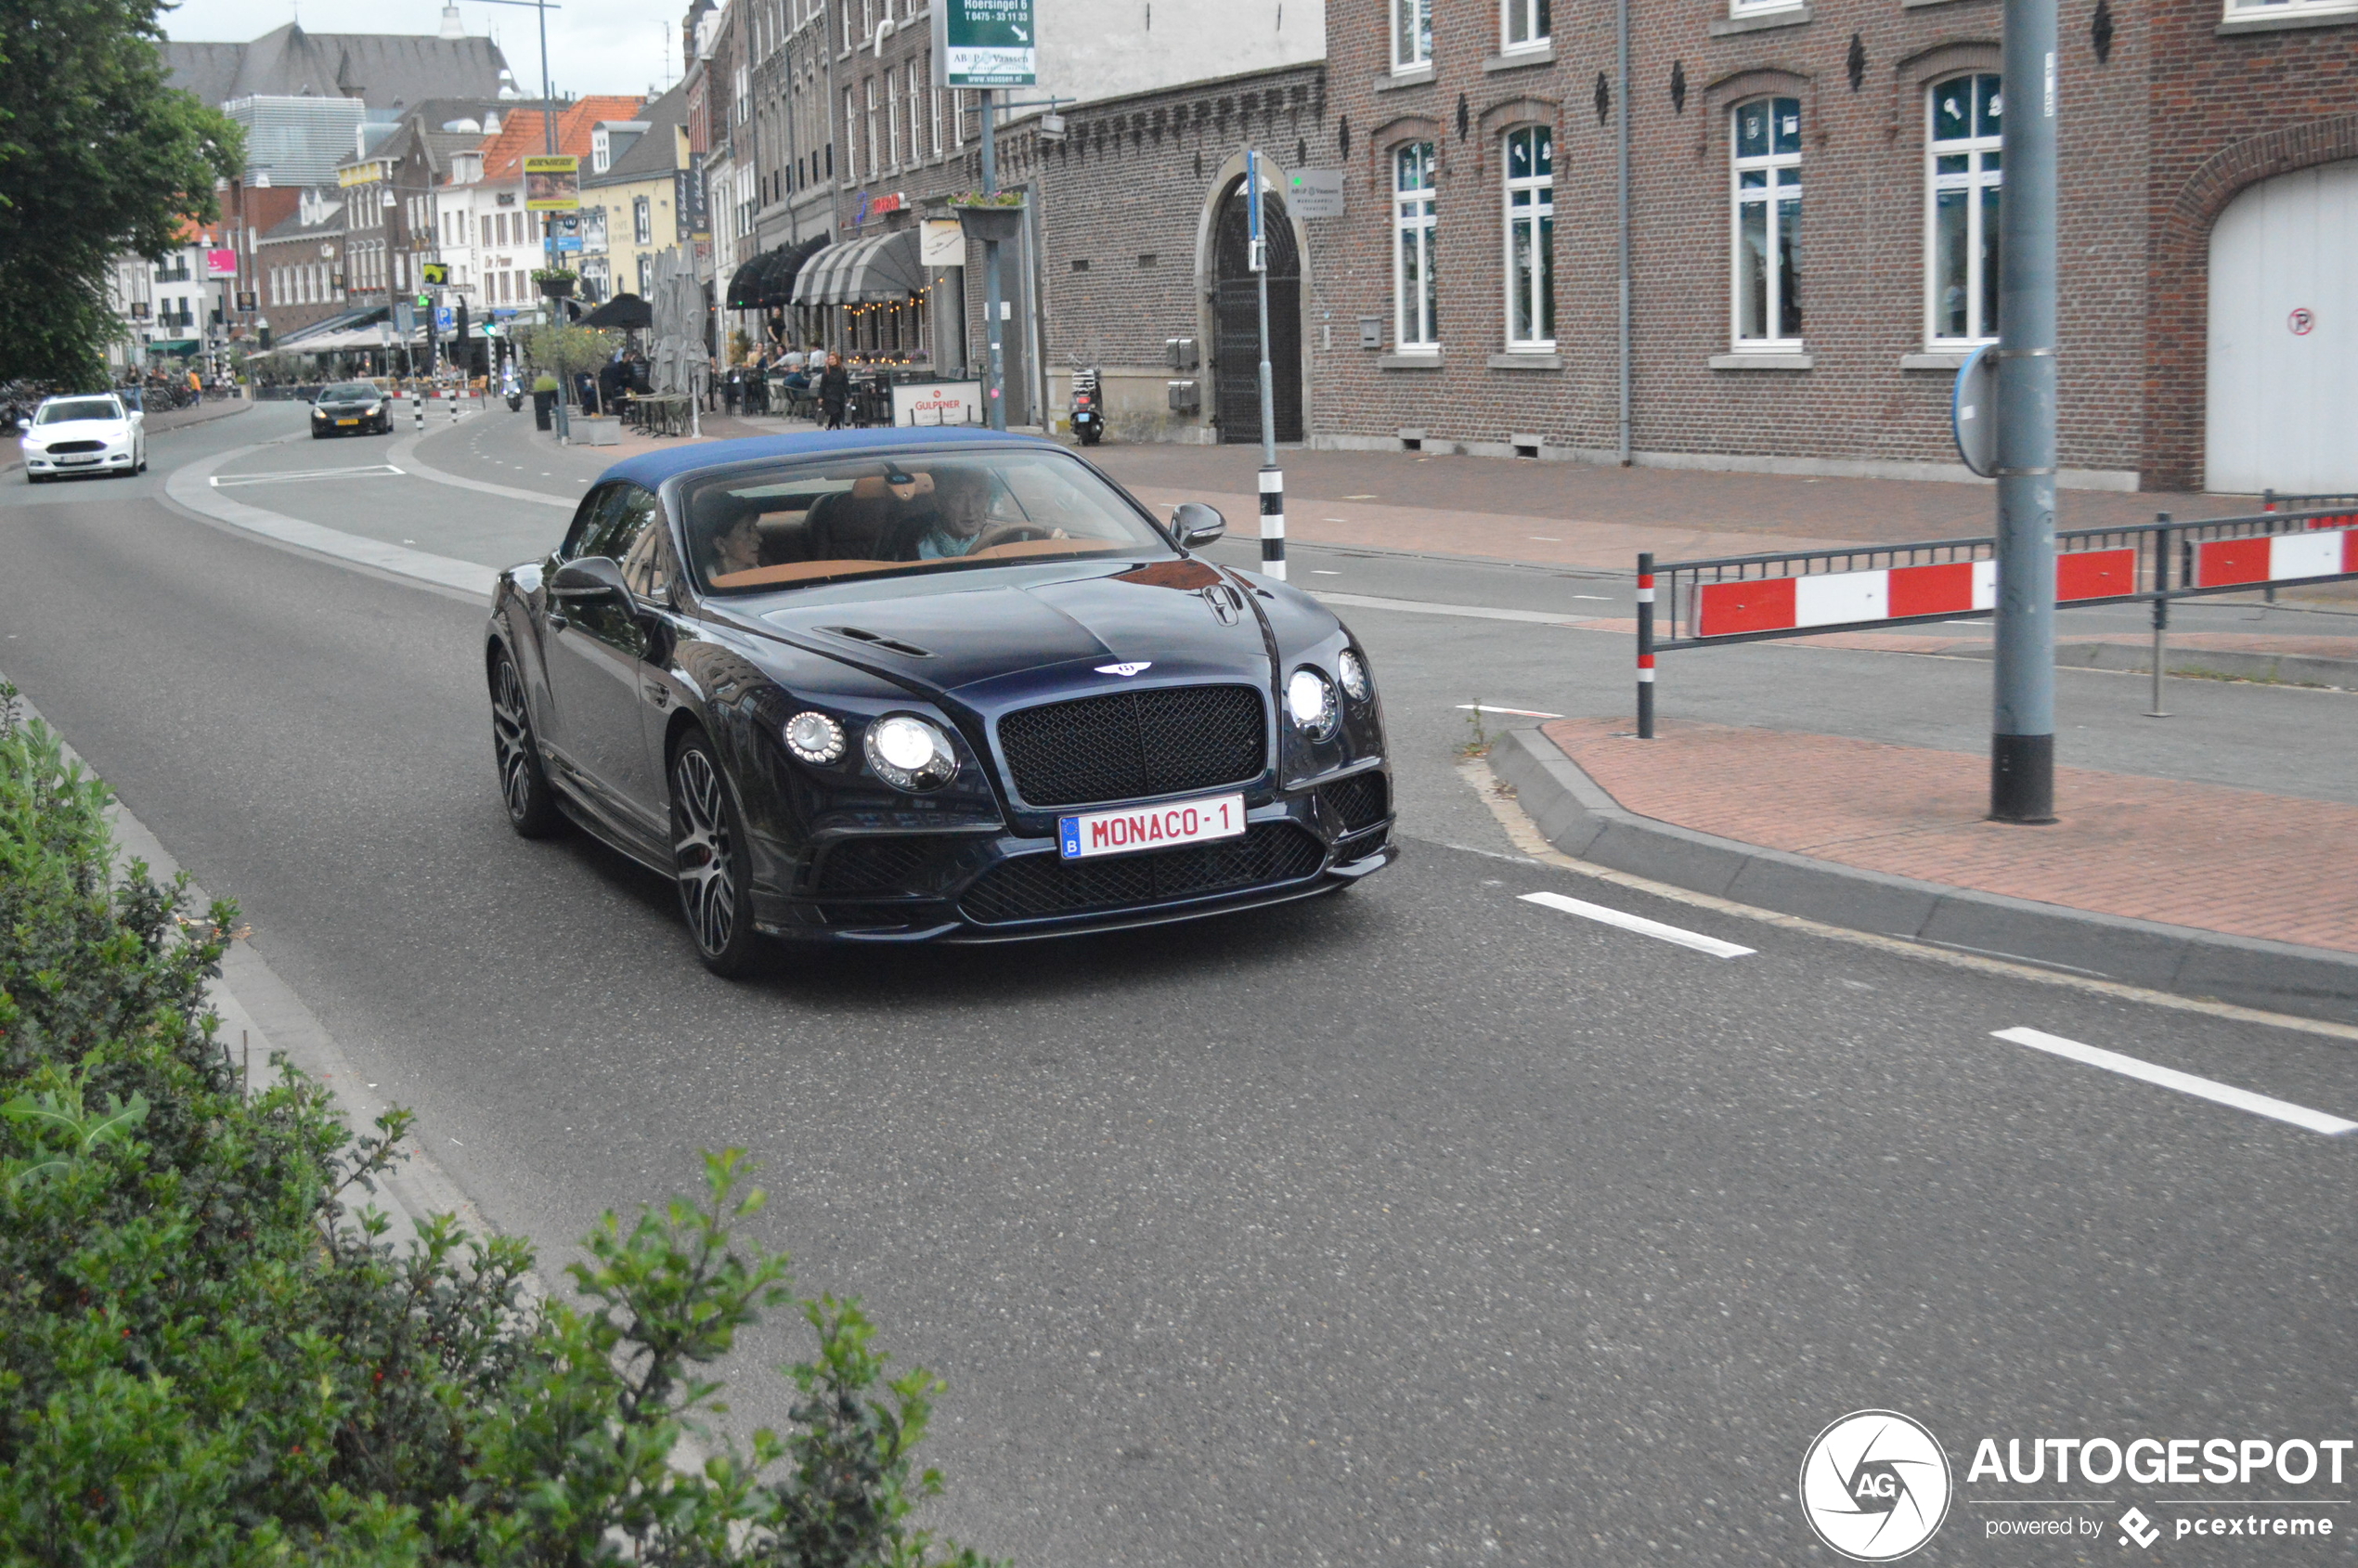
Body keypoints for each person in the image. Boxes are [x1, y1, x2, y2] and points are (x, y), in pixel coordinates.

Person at [818, 351, 850, 431]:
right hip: (829, 395)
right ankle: (838, 429)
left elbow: (845, 383)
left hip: (839, 393)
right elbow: (822, 385)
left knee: (838, 413)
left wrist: (849, 395)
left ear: (837, 360)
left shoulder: (842, 370)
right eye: (830, 359)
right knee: (834, 412)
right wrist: (820, 397)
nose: (831, 361)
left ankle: (828, 427)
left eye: (833, 359)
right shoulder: (826, 371)